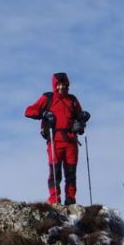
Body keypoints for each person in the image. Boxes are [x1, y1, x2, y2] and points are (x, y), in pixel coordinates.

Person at [24, 72, 90, 205]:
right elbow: (28, 111)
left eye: (64, 84)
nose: (61, 87)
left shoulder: (72, 100)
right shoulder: (48, 98)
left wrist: (81, 121)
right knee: (55, 172)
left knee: (71, 173)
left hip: (71, 141)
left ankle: (70, 200)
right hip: (54, 141)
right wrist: (44, 113)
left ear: (67, 85)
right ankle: (55, 200)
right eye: (59, 84)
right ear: (55, 85)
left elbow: (79, 118)